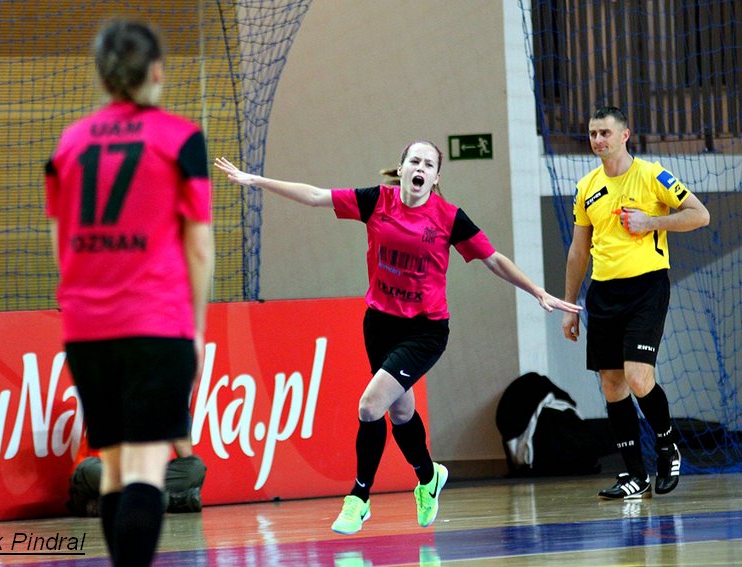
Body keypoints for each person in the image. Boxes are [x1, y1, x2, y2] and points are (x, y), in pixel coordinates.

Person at [214, 143, 580, 535]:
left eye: (429, 164)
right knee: (401, 413)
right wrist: (255, 180)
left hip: (425, 330)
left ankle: (358, 498)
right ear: (402, 169)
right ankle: (428, 477)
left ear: (435, 177)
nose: (420, 168)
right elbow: (316, 195)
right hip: (380, 325)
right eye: (414, 161)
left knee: (370, 406)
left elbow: (493, 259)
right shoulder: (377, 202)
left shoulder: (449, 218)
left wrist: (537, 290)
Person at [45, 19, 214, 566]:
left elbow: (61, 245)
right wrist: (195, 330)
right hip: (154, 324)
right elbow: (200, 249)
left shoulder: (67, 146)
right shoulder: (181, 138)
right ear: (157, 72)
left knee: (114, 470)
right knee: (146, 470)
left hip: (86, 330)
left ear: (103, 75)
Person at [562, 106, 710, 500]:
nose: (598, 140)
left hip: (646, 287)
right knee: (611, 385)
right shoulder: (586, 186)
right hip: (603, 291)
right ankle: (634, 476)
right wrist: (570, 305)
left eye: (605, 133)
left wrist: (651, 222)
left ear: (625, 135)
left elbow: (700, 214)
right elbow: (579, 250)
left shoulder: (652, 175)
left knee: (639, 377)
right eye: (593, 134)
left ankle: (667, 445)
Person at [67, 436, 207, 517]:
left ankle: (112, 505)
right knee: (91, 469)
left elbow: (187, 457)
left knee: (195, 467)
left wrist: (173, 415)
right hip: (97, 479)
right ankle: (170, 500)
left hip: (140, 480)